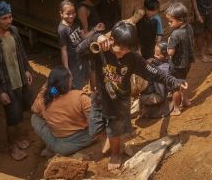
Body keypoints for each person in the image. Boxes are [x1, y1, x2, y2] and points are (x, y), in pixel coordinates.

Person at [76, 21, 187, 171]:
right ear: (112, 40)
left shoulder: (133, 58)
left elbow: (154, 73)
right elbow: (79, 52)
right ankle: (113, 141)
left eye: (126, 51)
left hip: (119, 102)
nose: (122, 53)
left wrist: (174, 81)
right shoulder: (99, 49)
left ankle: (116, 153)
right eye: (119, 49)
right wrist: (95, 37)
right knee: (95, 131)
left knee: (114, 131)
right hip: (99, 98)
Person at [0, 1, 33, 161]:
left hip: (20, 82)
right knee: (11, 118)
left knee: (20, 113)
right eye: (4, 18)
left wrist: (26, 69)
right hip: (6, 86)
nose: (9, 21)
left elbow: (21, 52)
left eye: (10, 17)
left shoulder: (14, 32)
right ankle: (12, 147)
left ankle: (18, 139)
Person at [30, 66, 94, 156]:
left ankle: (51, 149)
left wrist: (46, 87)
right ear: (66, 83)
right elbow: (94, 121)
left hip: (60, 147)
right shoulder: (80, 97)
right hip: (84, 139)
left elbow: (33, 109)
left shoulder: (43, 101)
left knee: (34, 118)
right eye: (70, 80)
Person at [165, 2, 195, 116]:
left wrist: (168, 43)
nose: (168, 23)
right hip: (187, 62)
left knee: (176, 87)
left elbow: (170, 52)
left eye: (171, 21)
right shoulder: (189, 28)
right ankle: (186, 100)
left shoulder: (175, 34)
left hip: (177, 65)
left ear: (180, 20)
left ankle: (176, 108)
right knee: (183, 81)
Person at [57, 0, 89, 90]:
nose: (71, 15)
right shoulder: (62, 30)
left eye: (73, 13)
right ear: (61, 13)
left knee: (83, 80)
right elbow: (63, 50)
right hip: (73, 62)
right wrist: (66, 68)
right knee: (75, 83)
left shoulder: (75, 23)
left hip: (81, 57)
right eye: (68, 13)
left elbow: (83, 37)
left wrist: (95, 30)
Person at [139, 42, 171, 119]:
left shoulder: (161, 71)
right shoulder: (168, 62)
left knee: (140, 98)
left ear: (165, 56)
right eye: (154, 53)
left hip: (160, 95)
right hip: (162, 90)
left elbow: (160, 94)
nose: (154, 56)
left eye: (157, 54)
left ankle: (149, 111)